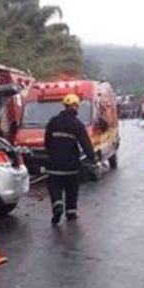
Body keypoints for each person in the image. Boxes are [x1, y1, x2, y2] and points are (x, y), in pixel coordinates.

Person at [44, 94, 97, 224]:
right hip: (71, 165)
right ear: (75, 106)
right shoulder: (77, 124)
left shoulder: (53, 121)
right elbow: (85, 143)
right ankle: (71, 212)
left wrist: (51, 153)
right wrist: (92, 157)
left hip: (54, 164)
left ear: (64, 106)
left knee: (54, 186)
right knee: (72, 188)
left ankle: (57, 205)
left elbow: (47, 141)